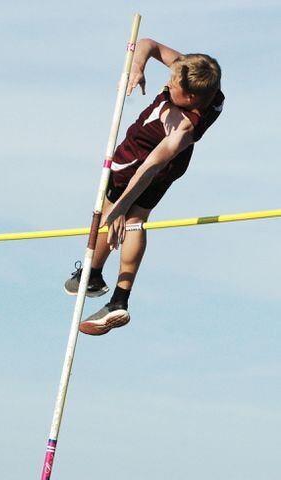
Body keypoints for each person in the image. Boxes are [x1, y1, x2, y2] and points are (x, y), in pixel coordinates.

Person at [64, 38, 224, 335]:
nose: (168, 82)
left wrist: (121, 206)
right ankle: (118, 300)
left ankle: (93, 275)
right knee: (137, 221)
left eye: (172, 85)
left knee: (113, 215)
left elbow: (150, 166)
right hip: (170, 168)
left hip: (136, 163)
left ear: (188, 98)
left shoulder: (180, 126)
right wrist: (137, 68)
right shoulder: (209, 87)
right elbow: (148, 44)